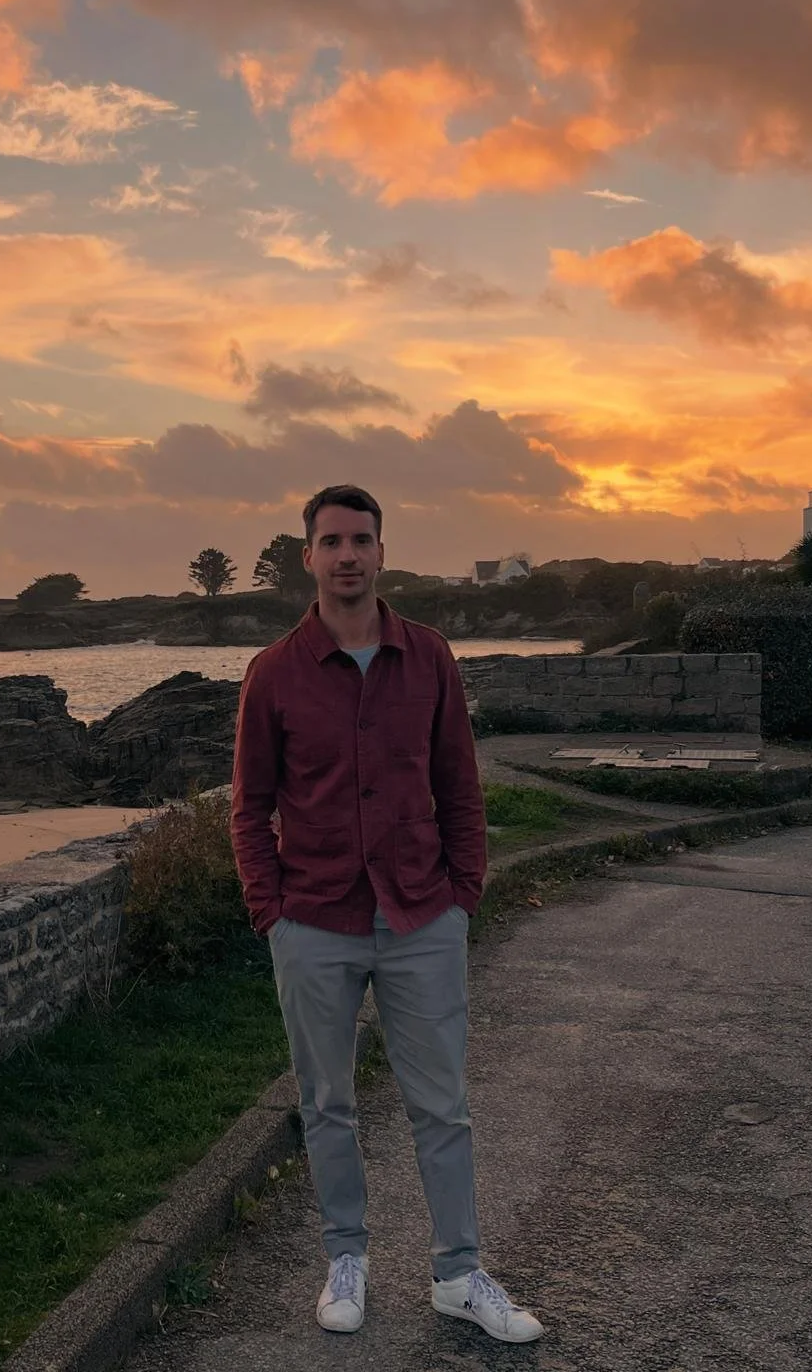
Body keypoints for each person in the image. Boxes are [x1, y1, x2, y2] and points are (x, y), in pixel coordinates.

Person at [230, 483, 545, 1345]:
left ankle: (458, 1272)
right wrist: (273, 914)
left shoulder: (430, 657)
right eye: (330, 541)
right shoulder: (274, 675)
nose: (347, 556)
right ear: (308, 556)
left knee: (440, 1106)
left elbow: (460, 787)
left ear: (381, 551)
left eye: (360, 540)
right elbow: (249, 807)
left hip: (421, 915)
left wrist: (462, 896)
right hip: (313, 919)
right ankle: (346, 1259)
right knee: (326, 1102)